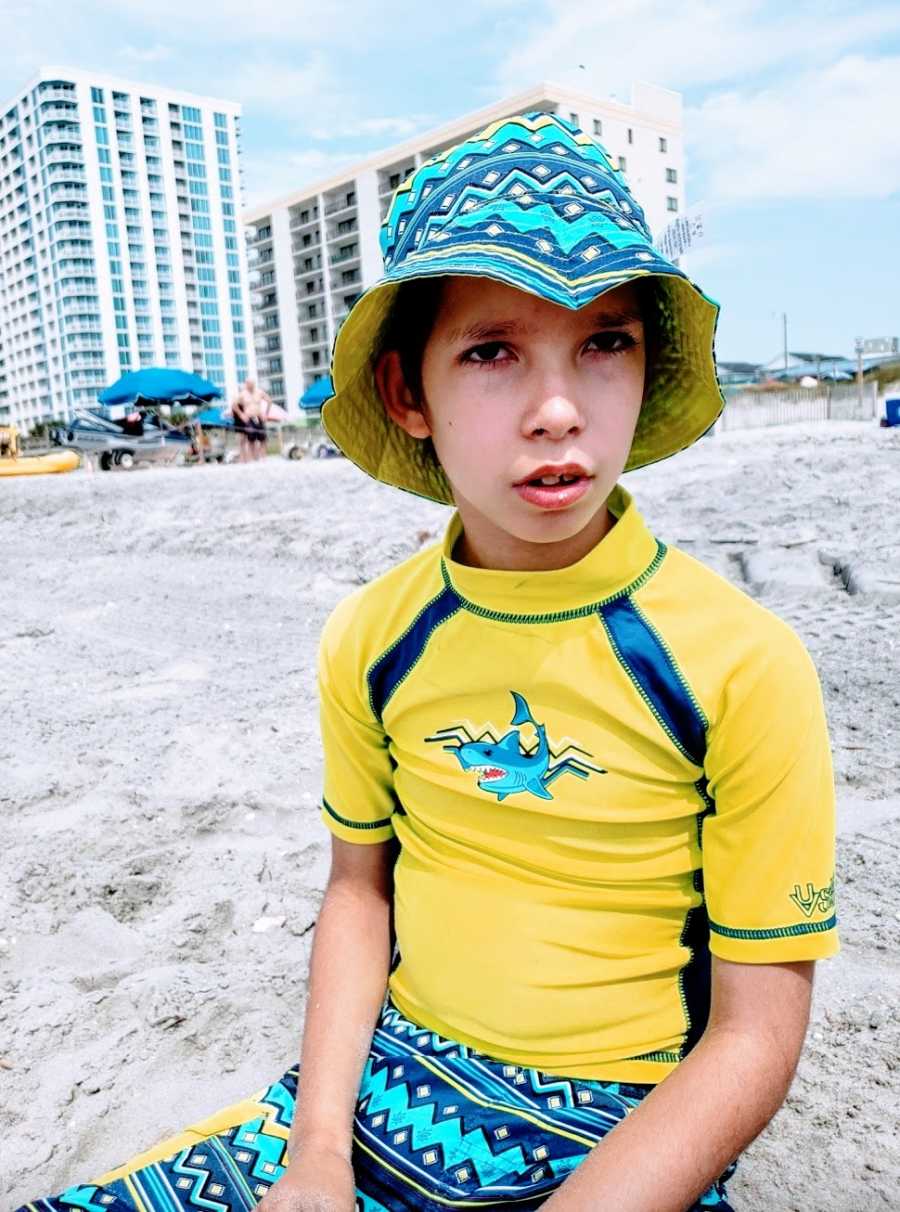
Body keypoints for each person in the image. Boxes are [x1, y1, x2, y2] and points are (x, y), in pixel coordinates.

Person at [21, 113, 838, 1212]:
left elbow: (756, 1033)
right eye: (493, 352)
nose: (557, 411)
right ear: (411, 395)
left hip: (627, 1130)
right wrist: (315, 1160)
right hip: (385, 1089)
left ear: (646, 373)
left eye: (605, 342)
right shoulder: (373, 638)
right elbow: (360, 894)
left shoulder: (743, 662)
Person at [231, 378, 272, 463]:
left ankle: (263, 457)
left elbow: (269, 401)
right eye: (248, 384)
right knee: (251, 438)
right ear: (246, 385)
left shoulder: (259, 392)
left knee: (263, 438)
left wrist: (266, 414)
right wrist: (241, 415)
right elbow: (234, 405)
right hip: (249, 418)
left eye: (252, 384)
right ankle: (253, 458)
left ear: (254, 384)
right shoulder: (242, 394)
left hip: (259, 416)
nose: (250, 386)